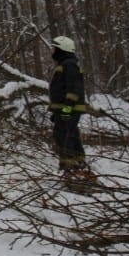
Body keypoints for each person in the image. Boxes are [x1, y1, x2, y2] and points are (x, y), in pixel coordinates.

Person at [48, 36, 96, 186]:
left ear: (62, 49)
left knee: (65, 137)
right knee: (69, 135)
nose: (52, 51)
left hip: (69, 109)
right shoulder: (65, 64)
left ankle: (72, 168)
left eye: (55, 48)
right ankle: (76, 165)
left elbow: (73, 88)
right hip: (64, 109)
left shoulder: (69, 65)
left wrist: (67, 108)